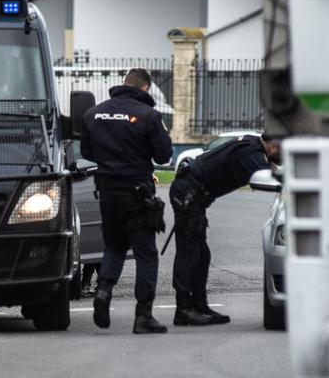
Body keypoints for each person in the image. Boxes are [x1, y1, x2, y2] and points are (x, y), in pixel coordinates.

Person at [80, 68, 173, 334]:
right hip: (137, 193)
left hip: (107, 192)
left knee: (114, 247)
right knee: (146, 253)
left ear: (125, 84)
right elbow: (164, 155)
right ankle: (143, 316)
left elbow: (87, 151)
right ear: (145, 88)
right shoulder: (148, 115)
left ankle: (104, 291)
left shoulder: (94, 113)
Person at [169, 134, 281, 326]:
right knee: (189, 252)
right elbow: (275, 180)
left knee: (201, 254)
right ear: (272, 145)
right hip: (189, 192)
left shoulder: (252, 146)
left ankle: (199, 305)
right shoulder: (252, 155)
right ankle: (183, 309)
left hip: (192, 191)